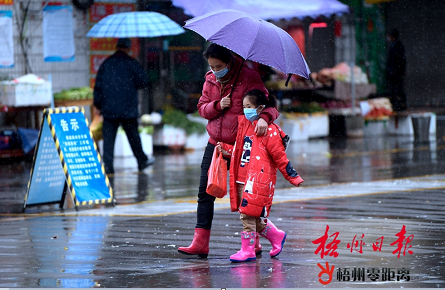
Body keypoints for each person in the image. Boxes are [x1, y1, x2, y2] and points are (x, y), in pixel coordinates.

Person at [178, 43, 280, 258]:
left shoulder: (249, 77)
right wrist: (217, 105)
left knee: (247, 198)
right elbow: (202, 108)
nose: (215, 71)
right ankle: (200, 242)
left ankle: (256, 242)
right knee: (205, 191)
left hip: (243, 148)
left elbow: (270, 106)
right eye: (212, 67)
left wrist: (263, 118)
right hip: (215, 144)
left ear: (229, 61)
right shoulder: (210, 79)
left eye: (219, 66)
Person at [217, 89, 304, 262]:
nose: (245, 110)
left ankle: (247, 250)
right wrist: (225, 149)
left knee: (247, 217)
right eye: (244, 106)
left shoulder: (270, 131)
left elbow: (280, 157)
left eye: (249, 106)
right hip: (241, 179)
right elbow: (240, 149)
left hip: (257, 181)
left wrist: (293, 177)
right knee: (252, 216)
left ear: (260, 108)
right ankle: (276, 236)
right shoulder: (244, 125)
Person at [93, 38, 154, 175]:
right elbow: (144, 81)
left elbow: (98, 86)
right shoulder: (132, 63)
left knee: (108, 141)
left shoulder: (106, 64)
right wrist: (132, 85)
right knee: (133, 137)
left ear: (117, 47)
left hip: (109, 109)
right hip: (128, 109)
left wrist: (97, 104)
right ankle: (141, 161)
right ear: (127, 48)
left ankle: (108, 167)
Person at [386, 28, 406, 111]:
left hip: (396, 72)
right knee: (395, 89)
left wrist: (400, 71)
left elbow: (401, 60)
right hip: (394, 72)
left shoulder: (398, 46)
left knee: (398, 89)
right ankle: (397, 105)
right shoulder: (394, 45)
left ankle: (400, 105)